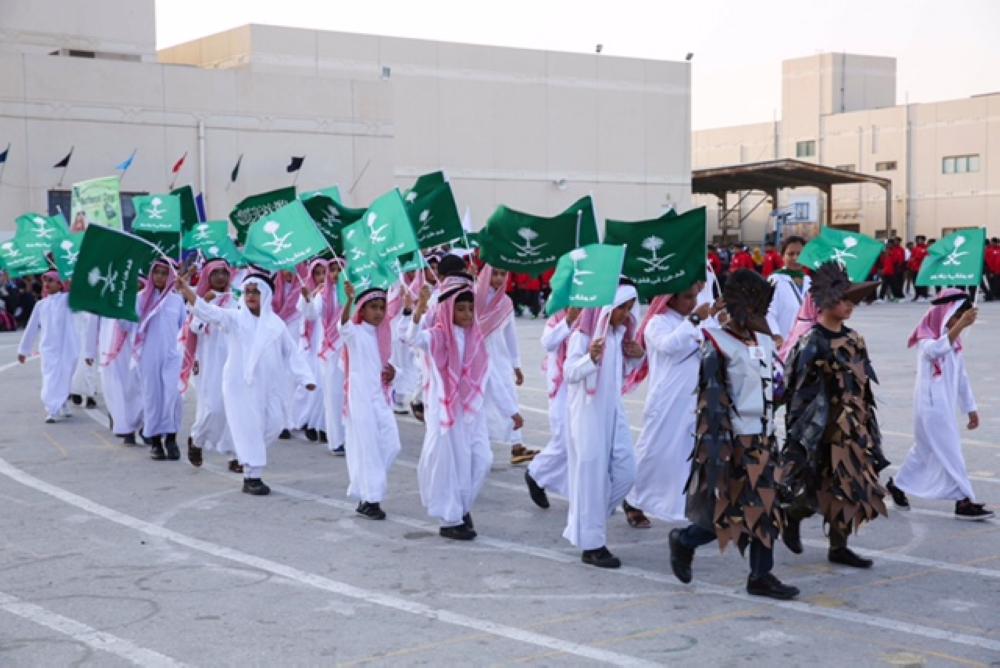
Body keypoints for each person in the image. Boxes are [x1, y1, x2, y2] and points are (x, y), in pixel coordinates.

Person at [668, 270, 797, 600]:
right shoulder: (717, 345)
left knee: (766, 508)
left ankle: (761, 575)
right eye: (755, 310)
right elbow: (711, 404)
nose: (761, 317)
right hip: (736, 441)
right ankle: (685, 541)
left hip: (765, 437)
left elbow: (773, 383)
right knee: (729, 512)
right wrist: (719, 451)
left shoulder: (764, 341)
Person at [782, 262, 887, 569]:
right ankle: (793, 515)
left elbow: (864, 383)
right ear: (827, 302)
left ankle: (838, 545)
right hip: (822, 428)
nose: (850, 306)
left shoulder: (855, 339)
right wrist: (803, 433)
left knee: (850, 485)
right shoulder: (811, 342)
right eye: (845, 300)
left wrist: (867, 422)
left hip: (852, 425)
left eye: (852, 301)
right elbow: (797, 390)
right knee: (815, 486)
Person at [177, 271, 316, 495]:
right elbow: (210, 312)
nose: (251, 295)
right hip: (239, 384)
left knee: (275, 423)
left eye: (256, 292)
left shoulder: (276, 324)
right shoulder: (236, 317)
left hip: (270, 385)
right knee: (248, 427)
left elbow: (292, 354)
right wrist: (187, 292)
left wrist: (306, 378)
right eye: (248, 291)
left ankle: (247, 458)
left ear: (266, 295)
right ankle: (252, 476)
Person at [405, 279, 507, 540]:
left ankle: (461, 509)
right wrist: (418, 313)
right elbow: (413, 339)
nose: (466, 315)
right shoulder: (438, 335)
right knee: (451, 465)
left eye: (470, 309)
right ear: (449, 310)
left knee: (481, 460)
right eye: (460, 309)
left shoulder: (476, 338)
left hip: (472, 412)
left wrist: (511, 410)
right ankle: (451, 518)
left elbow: (488, 375)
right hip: (446, 413)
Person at [887, 291, 993, 520]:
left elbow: (961, 377)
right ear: (945, 315)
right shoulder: (928, 337)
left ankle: (897, 485)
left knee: (923, 451)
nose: (960, 320)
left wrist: (970, 408)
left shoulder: (954, 342)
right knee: (951, 450)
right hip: (931, 406)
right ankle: (963, 501)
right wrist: (960, 326)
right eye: (957, 316)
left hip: (944, 405)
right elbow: (934, 351)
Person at [562, 282, 644, 568]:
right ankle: (592, 544)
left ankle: (590, 518)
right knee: (591, 477)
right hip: (587, 413)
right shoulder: (584, 335)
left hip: (613, 411)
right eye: (620, 307)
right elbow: (569, 371)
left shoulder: (618, 334)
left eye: (629, 308)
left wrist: (637, 356)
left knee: (626, 470)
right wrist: (590, 358)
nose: (624, 314)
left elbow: (620, 375)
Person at [623, 285, 714, 527]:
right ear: (669, 299)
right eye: (687, 297)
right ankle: (632, 498)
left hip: (692, 398)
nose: (692, 302)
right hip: (665, 400)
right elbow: (669, 346)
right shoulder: (657, 322)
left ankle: (678, 504)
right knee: (653, 452)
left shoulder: (693, 323)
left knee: (683, 452)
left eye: (695, 297)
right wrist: (695, 319)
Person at [339, 282, 401, 520]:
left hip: (380, 397)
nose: (378, 312)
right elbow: (342, 326)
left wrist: (393, 373)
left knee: (391, 444)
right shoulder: (356, 332)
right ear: (362, 310)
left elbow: (387, 366)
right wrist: (349, 301)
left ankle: (367, 491)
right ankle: (371, 500)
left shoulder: (382, 335)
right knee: (368, 448)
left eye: (381, 307)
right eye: (373, 307)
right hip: (360, 398)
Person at [180, 260, 240, 472]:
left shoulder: (236, 299)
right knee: (213, 407)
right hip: (209, 363)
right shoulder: (199, 300)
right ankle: (196, 440)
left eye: (225, 273)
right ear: (208, 277)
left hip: (233, 361)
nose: (221, 277)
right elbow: (195, 328)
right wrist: (204, 303)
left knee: (236, 408)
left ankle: (235, 456)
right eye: (216, 274)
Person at [476, 265, 531, 465]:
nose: (499, 278)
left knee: (509, 398)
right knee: (483, 404)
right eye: (495, 273)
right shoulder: (475, 298)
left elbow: (511, 336)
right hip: (478, 360)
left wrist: (516, 364)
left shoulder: (506, 302)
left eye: (503, 274)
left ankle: (517, 445)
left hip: (500, 361)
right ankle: (482, 448)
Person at [131, 260, 186, 461]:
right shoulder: (140, 299)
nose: (160, 277)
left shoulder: (177, 301)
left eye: (165, 273)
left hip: (172, 356)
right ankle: (155, 441)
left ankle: (171, 439)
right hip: (148, 356)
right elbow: (130, 325)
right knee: (152, 398)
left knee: (174, 398)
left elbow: (183, 328)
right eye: (157, 273)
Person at [16, 271, 79, 422]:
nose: (47, 284)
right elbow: (31, 328)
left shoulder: (68, 300)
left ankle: (62, 402)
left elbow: (80, 300)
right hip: (48, 349)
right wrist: (23, 350)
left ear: (60, 284)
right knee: (50, 378)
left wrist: (72, 285)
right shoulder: (41, 304)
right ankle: (52, 409)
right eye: (45, 281)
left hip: (67, 348)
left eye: (51, 281)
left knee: (65, 376)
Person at [296, 259, 329, 443]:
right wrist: (309, 298)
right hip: (314, 343)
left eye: (324, 273)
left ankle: (323, 425)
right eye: (317, 273)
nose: (322, 277)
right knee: (313, 383)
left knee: (328, 386)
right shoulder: (315, 293)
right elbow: (310, 314)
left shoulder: (337, 292)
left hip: (332, 343)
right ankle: (308, 421)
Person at [318, 260, 347, 455]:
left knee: (348, 395)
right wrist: (306, 299)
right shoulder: (323, 294)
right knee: (333, 395)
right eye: (333, 270)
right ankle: (336, 440)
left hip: (349, 347)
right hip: (330, 349)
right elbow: (311, 312)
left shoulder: (352, 292)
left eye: (340, 270)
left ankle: (349, 437)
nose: (336, 274)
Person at [766, 235, 810, 348]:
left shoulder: (809, 281)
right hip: (783, 342)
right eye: (790, 254)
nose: (795, 258)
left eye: (799, 254)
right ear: (782, 256)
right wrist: (776, 335)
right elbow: (768, 312)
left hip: (807, 343)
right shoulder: (775, 280)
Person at [68, 311, 98, 409]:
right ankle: (74, 390)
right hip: (73, 336)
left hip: (89, 337)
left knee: (89, 367)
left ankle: (90, 395)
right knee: (74, 365)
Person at [909, 236, 930, 302]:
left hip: (922, 268)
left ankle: (924, 295)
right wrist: (911, 263)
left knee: (922, 282)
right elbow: (912, 257)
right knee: (915, 282)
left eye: (920, 240)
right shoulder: (915, 248)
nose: (919, 241)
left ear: (924, 240)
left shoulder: (926, 248)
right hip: (915, 268)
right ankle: (917, 295)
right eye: (918, 240)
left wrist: (918, 258)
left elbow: (927, 257)